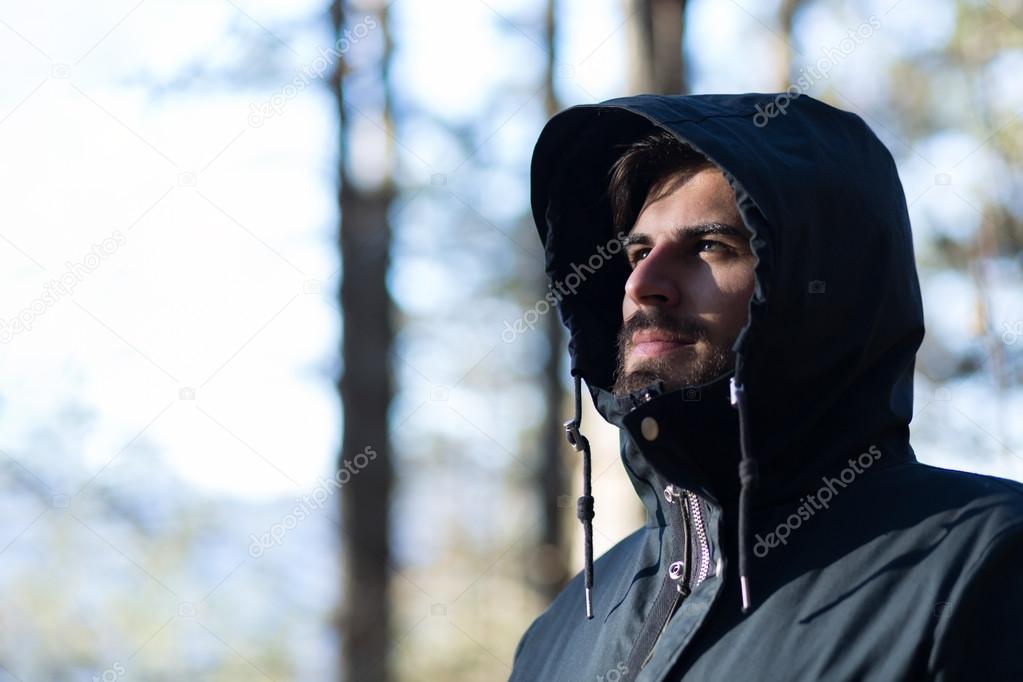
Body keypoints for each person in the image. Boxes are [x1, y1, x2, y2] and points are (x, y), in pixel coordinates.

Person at [509, 93, 1023, 681]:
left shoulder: (983, 563)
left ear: (817, 287)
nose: (643, 284)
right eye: (638, 252)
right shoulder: (559, 635)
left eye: (710, 247)